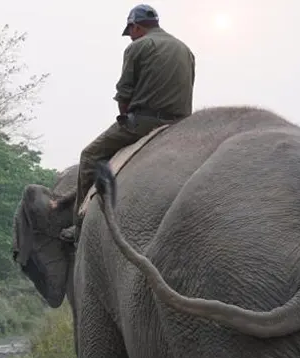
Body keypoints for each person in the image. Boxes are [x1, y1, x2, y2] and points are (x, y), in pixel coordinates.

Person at [57, 4, 196, 243]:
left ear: (136, 26)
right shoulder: (185, 49)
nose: (130, 35)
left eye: (130, 30)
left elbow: (124, 93)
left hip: (145, 122)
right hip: (181, 123)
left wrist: (125, 114)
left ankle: (78, 228)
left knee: (89, 155)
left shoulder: (138, 47)